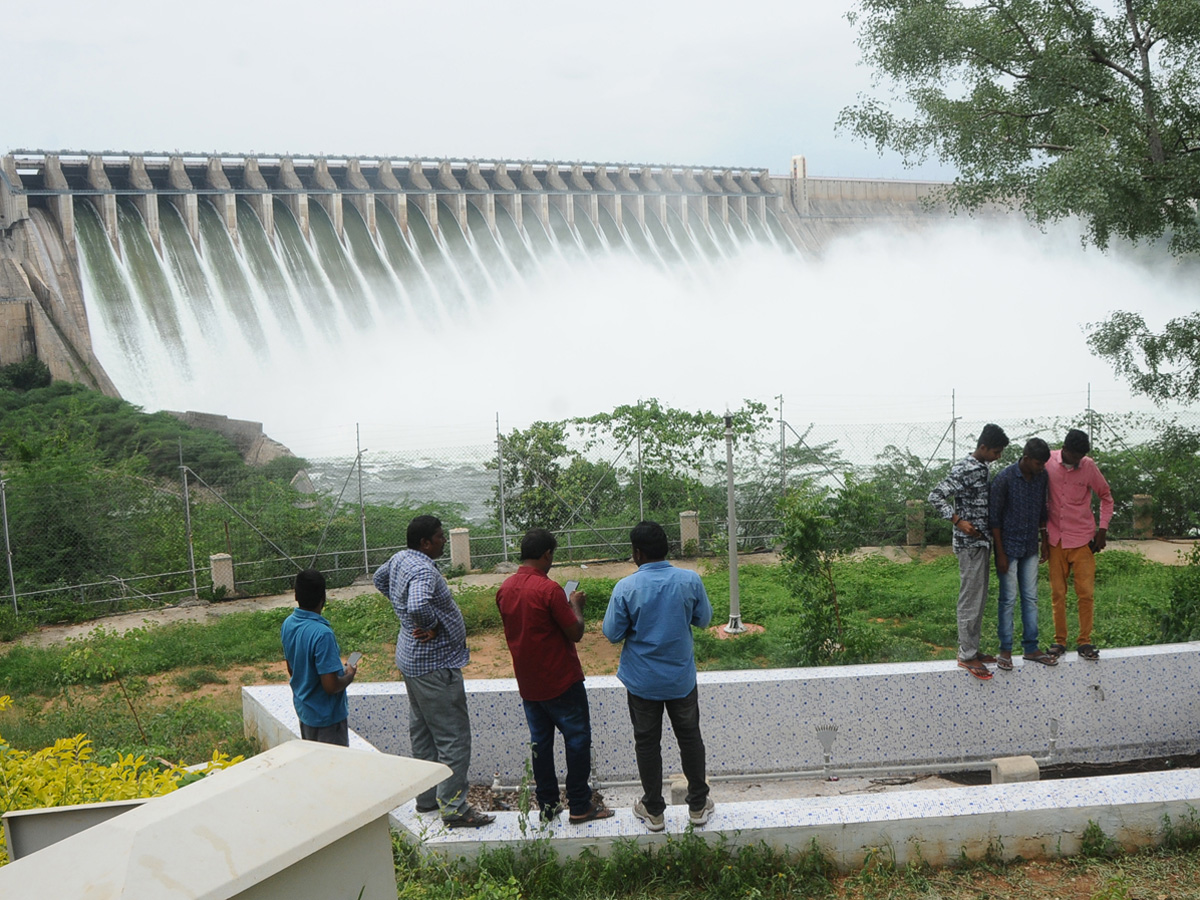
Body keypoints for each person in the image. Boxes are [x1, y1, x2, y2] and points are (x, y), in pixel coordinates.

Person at [373, 515, 494, 828]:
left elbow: (379, 578)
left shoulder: (401, 558)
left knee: (424, 733)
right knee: (453, 737)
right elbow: (417, 605)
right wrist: (429, 625)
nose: (443, 541)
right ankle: (454, 809)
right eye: (440, 537)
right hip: (435, 665)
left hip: (412, 662)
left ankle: (427, 800)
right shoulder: (425, 569)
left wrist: (403, 614)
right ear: (425, 542)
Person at [602, 520, 714, 832]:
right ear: (666, 548)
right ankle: (698, 805)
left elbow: (612, 633)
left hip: (642, 681)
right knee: (690, 737)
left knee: (647, 742)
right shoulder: (689, 580)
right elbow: (704, 619)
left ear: (637, 553)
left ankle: (653, 810)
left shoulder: (626, 588)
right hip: (680, 679)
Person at [496, 529, 612, 824]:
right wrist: (575, 605)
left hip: (529, 684)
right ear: (546, 554)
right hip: (561, 680)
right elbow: (575, 632)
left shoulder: (505, 589)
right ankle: (579, 804)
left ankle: (547, 806)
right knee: (576, 740)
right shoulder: (549, 590)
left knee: (540, 744)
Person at [928, 423, 1010, 681]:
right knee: (970, 599)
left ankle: (972, 649)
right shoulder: (965, 468)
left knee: (978, 599)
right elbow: (935, 496)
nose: (998, 457)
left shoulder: (980, 467)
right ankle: (966, 655)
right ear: (983, 447)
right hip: (969, 545)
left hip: (980, 543)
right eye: (996, 452)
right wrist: (957, 521)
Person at [1044, 429, 1113, 661]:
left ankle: (1084, 641)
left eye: (1082, 456)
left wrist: (1102, 530)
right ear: (1065, 449)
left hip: (1083, 540)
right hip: (1056, 539)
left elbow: (1106, 496)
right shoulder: (1048, 462)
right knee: (1058, 593)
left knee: (1085, 593)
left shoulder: (1088, 466)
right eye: (1075, 456)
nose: (1078, 461)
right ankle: (1059, 640)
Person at [989, 438, 1058, 669]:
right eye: (1038, 463)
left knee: (1031, 598)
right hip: (1008, 547)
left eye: (1044, 464)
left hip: (1030, 546)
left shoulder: (1042, 477)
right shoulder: (1004, 479)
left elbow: (1041, 511)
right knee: (1008, 600)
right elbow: (995, 520)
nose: (1042, 468)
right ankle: (1005, 651)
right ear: (1026, 459)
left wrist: (1044, 541)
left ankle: (1031, 648)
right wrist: (999, 553)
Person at [280, 568, 357, 746]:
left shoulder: (288, 624)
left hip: (305, 711)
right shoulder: (323, 634)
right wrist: (349, 675)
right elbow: (330, 686)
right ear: (323, 598)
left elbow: (292, 668)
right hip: (328, 719)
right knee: (332, 769)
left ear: (296, 596)